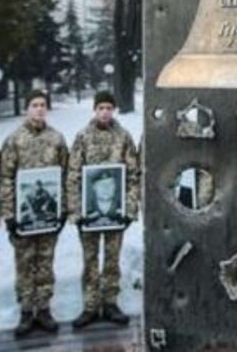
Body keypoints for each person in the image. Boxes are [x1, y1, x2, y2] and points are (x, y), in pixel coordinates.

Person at [0, 88, 68, 339]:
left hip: (48, 216)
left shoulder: (56, 139)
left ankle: (44, 309)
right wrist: (10, 215)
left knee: (45, 262)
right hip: (23, 216)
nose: (39, 109)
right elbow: (5, 178)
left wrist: (62, 210)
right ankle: (27, 311)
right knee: (25, 263)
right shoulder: (14, 140)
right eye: (34, 105)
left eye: (42, 105)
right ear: (27, 109)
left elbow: (65, 174)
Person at [67, 90, 140, 329]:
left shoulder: (123, 137)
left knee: (111, 260)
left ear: (114, 110)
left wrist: (129, 210)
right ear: (95, 110)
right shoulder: (83, 137)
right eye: (101, 108)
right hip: (89, 213)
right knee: (90, 260)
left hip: (115, 213)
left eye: (109, 108)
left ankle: (110, 303)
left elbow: (133, 175)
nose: (105, 112)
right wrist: (77, 212)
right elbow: (73, 175)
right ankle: (90, 306)